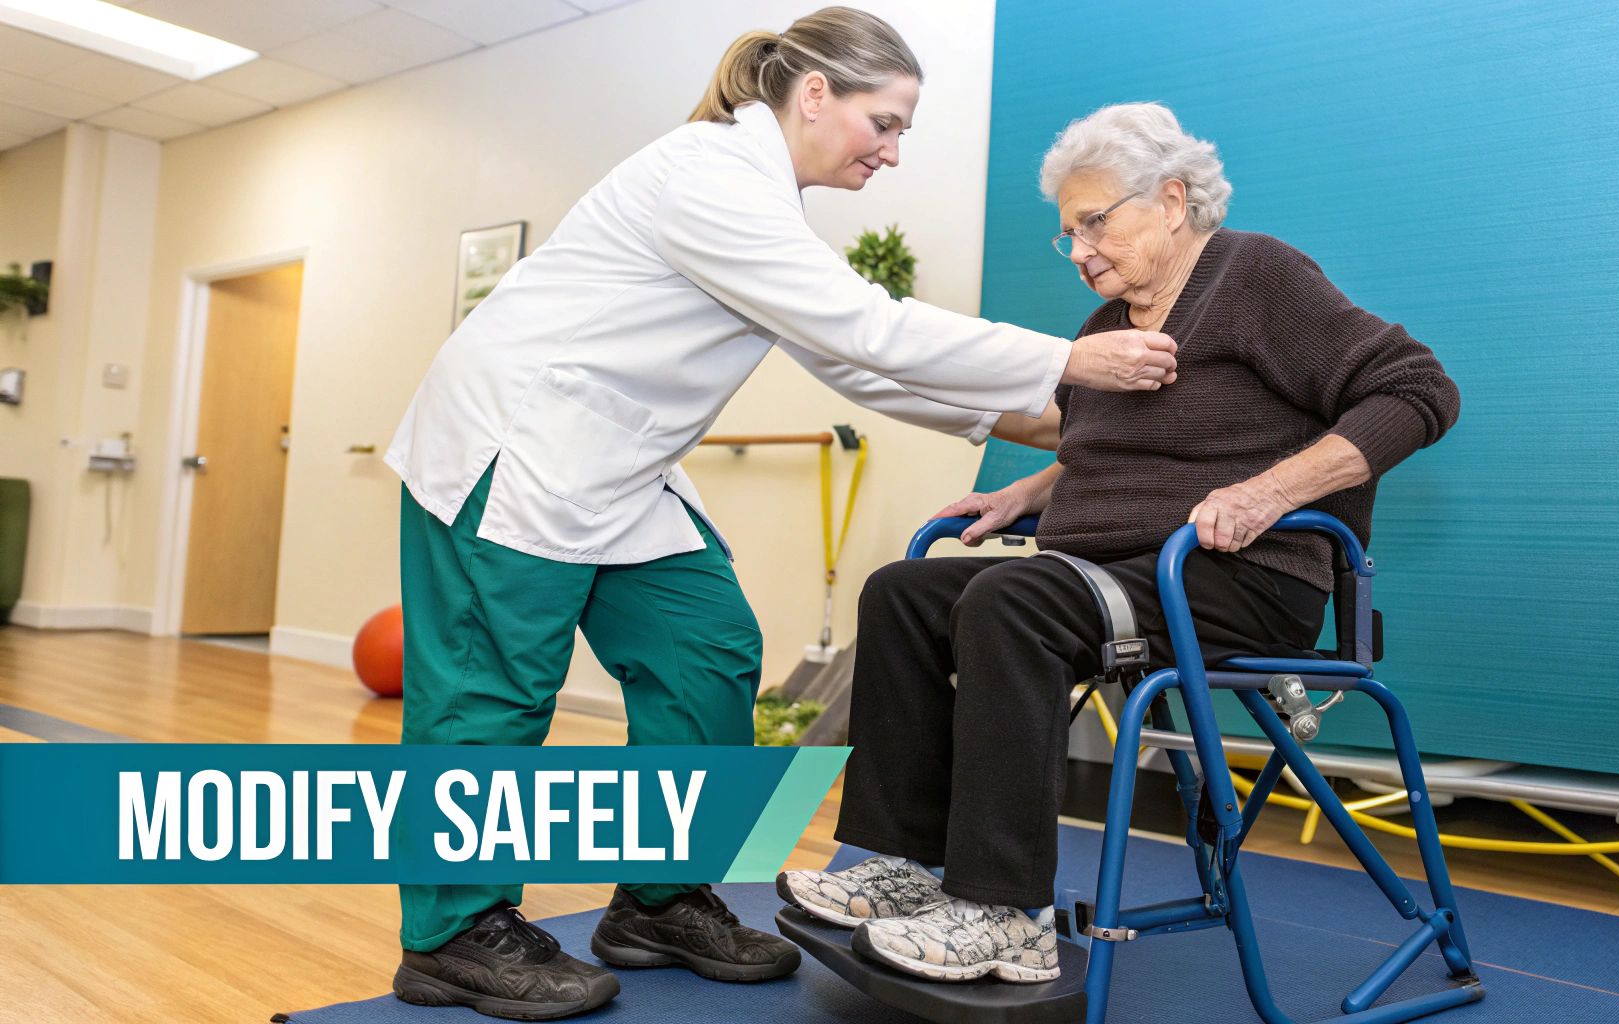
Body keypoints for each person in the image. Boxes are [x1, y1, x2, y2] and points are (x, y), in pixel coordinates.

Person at [383, 11, 1178, 1019]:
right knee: (490, 695)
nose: (891, 151)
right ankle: (452, 934)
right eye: (882, 123)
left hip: (619, 468)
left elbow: (850, 360)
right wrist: (1070, 361)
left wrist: (1067, 421)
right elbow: (862, 327)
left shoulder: (757, 203)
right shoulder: (707, 175)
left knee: (706, 652)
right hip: (515, 445)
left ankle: (660, 899)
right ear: (813, 96)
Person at [779, 102, 1461, 985]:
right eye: (1068, 233)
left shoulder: (1255, 276)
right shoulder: (1107, 329)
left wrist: (1268, 492)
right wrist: (1025, 492)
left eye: (1095, 222)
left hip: (1233, 576)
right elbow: (1107, 450)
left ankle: (1001, 912)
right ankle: (905, 866)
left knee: (1010, 600)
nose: (1080, 250)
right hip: (1109, 572)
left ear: (1172, 201)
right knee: (901, 591)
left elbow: (1417, 389)